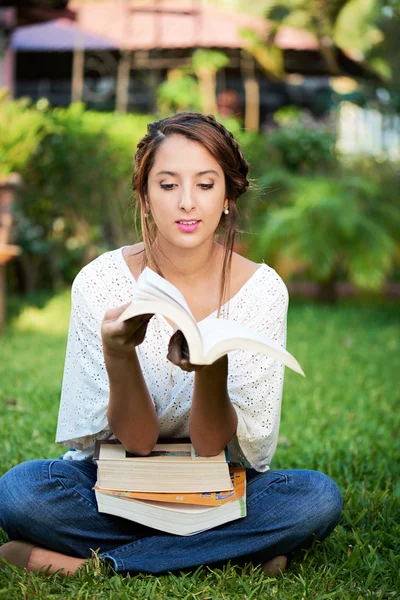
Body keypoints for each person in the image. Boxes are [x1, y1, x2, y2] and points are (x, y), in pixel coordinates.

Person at [0, 113, 342, 577]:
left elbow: (210, 445)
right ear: (144, 197)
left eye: (205, 184)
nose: (187, 203)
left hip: (217, 482)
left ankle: (95, 566)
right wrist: (119, 353)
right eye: (167, 185)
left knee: (314, 498)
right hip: (117, 481)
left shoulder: (263, 290)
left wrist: (210, 366)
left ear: (227, 196)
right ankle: (237, 553)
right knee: (22, 493)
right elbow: (137, 442)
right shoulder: (100, 282)